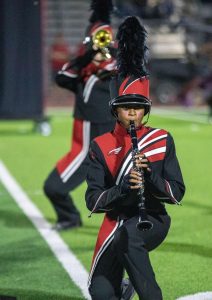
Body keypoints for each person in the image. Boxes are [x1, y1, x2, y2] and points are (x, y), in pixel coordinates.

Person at [85, 16, 185, 300]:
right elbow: (93, 200)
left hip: (152, 218)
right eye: (126, 107)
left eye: (138, 108)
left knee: (130, 238)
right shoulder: (100, 145)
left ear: (146, 110)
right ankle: (124, 289)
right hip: (114, 222)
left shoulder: (161, 139)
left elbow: (177, 192)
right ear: (115, 110)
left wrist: (151, 176)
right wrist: (123, 190)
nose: (132, 113)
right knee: (102, 294)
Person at [43, 0, 116, 230]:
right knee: (53, 187)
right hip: (83, 149)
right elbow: (61, 76)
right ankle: (70, 218)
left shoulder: (113, 70)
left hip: (97, 151)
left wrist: (106, 49)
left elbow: (118, 68)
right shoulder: (83, 74)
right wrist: (86, 57)